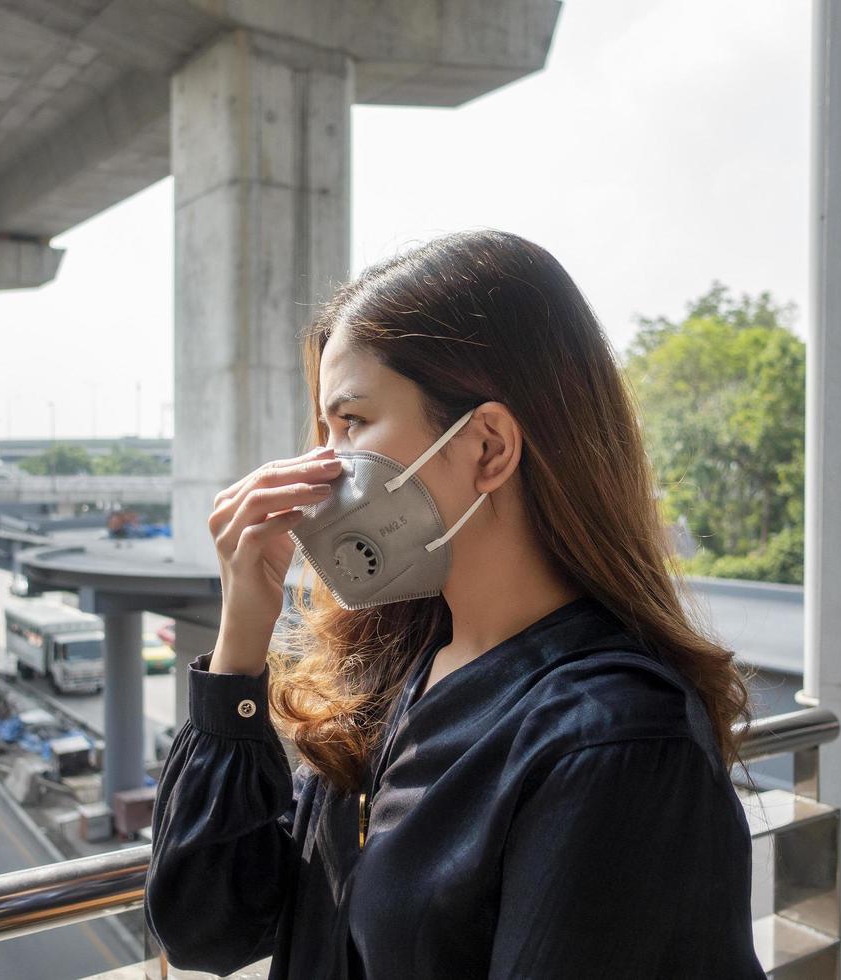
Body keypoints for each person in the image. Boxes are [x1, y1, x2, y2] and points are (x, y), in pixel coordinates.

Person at [144, 231, 765, 978]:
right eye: (326, 430)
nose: (319, 469)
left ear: (490, 447)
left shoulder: (611, 741)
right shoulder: (396, 669)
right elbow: (207, 927)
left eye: (351, 424)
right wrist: (243, 633)